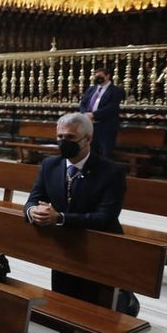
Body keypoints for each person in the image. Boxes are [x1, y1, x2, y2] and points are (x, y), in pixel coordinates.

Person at [23, 112, 138, 316]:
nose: (63, 142)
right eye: (60, 137)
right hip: (63, 243)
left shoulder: (111, 171)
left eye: (70, 138)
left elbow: (106, 217)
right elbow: (33, 199)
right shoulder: (50, 165)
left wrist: (61, 218)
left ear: (88, 139)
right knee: (64, 302)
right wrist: (33, 211)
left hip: (99, 244)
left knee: (95, 305)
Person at [78, 67, 124, 160]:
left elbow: (112, 107)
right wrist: (85, 113)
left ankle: (104, 173)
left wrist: (94, 115)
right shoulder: (91, 89)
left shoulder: (115, 91)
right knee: (91, 152)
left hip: (106, 126)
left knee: (105, 153)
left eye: (100, 76)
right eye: (96, 76)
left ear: (107, 76)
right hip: (90, 125)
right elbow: (83, 103)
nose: (97, 78)